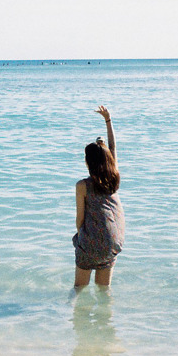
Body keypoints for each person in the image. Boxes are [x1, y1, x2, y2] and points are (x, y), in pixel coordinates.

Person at [72, 106, 124, 289]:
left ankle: (71, 314)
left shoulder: (82, 186)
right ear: (108, 160)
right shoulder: (114, 177)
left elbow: (80, 220)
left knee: (79, 289)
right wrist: (108, 120)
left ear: (88, 162)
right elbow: (113, 148)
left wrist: (79, 241)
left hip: (92, 244)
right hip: (113, 241)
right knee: (104, 290)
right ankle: (106, 318)